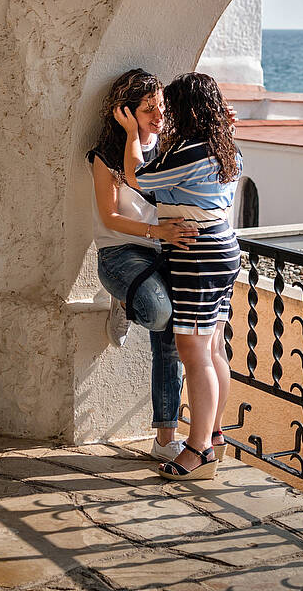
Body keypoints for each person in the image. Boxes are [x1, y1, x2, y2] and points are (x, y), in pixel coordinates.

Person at [119, 72, 242, 479]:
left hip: (197, 256)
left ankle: (199, 449)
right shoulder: (225, 148)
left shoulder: (189, 151)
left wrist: (129, 134)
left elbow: (138, 179)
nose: (163, 115)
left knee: (193, 354)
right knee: (213, 350)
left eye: (168, 108)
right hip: (224, 249)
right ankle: (216, 435)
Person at [87, 69, 199, 462]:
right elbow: (112, 217)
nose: (158, 115)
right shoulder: (105, 156)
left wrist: (226, 120)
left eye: (161, 107)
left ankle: (165, 439)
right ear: (126, 113)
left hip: (163, 253)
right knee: (157, 311)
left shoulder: (168, 148)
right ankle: (127, 297)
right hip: (121, 254)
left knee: (170, 334)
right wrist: (159, 232)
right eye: (148, 108)